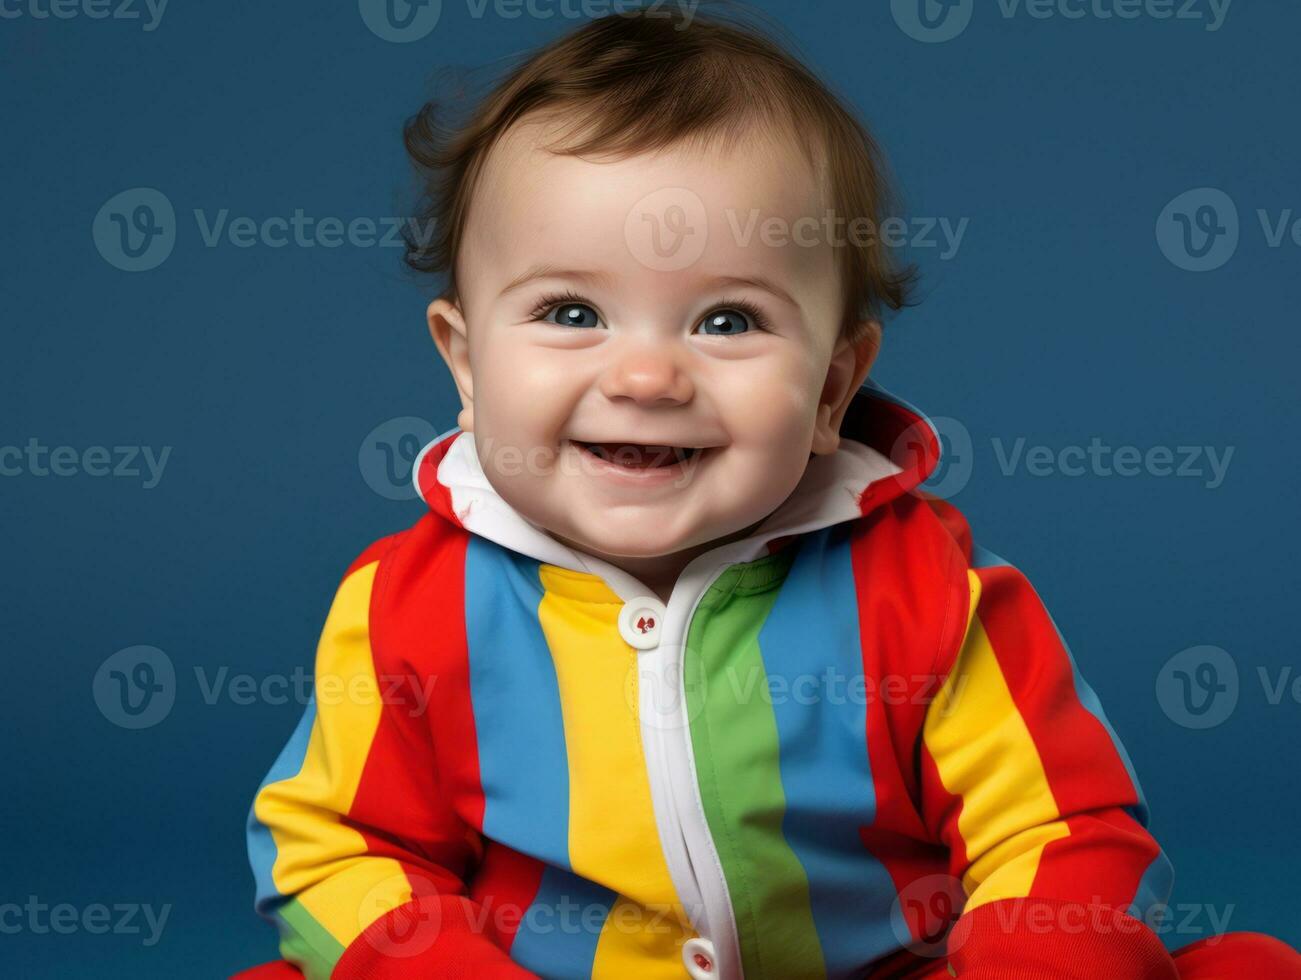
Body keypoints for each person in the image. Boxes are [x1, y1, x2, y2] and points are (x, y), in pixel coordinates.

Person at [238, 8, 1301, 979]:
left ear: (834, 384)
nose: (645, 376)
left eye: (725, 321)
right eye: (569, 312)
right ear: (465, 368)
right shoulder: (405, 608)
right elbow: (332, 848)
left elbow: (1061, 824)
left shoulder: (922, 589)